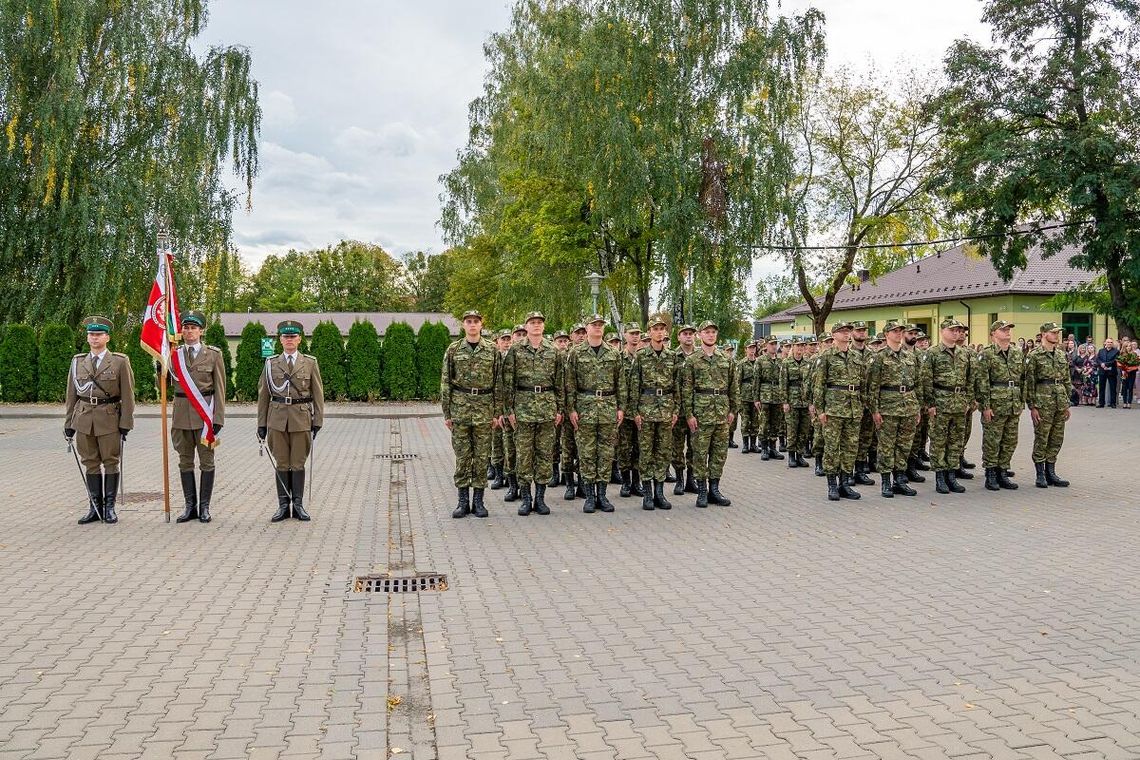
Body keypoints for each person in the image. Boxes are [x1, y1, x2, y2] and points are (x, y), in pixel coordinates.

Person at [64, 316, 136, 525]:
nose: (94, 338)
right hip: (84, 418)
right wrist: (68, 424)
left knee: (111, 461)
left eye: (98, 334)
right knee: (91, 463)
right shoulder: (78, 362)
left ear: (107, 337)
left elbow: (128, 396)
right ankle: (94, 507)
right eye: (91, 334)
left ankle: (109, 508)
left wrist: (126, 423)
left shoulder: (120, 361)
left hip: (109, 418)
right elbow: (71, 396)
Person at [257, 320, 325, 522]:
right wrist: (261, 424)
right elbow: (263, 395)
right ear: (280, 340)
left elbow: (318, 393)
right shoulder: (271, 364)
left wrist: (318, 420)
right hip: (276, 419)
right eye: (286, 337)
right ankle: (283, 506)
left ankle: (298, 504)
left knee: (297, 463)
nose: (289, 340)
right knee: (282, 463)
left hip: (301, 418)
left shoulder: (310, 363)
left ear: (299, 339)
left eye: (293, 336)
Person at [440, 310, 501, 518]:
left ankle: (479, 501)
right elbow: (446, 382)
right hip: (461, 409)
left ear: (481, 324)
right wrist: (447, 412)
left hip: (485, 409)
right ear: (463, 325)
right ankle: (463, 501)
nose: (472, 325)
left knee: (482, 456)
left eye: (476, 321)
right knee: (463, 457)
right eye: (469, 321)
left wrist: (497, 412)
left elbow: (498, 383)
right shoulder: (454, 349)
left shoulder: (492, 350)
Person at [503, 311, 563, 516]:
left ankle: (541, 498)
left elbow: (560, 383)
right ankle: (526, 498)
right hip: (523, 409)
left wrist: (559, 409)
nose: (536, 325)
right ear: (526, 326)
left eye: (539, 322)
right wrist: (508, 410)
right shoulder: (515, 350)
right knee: (524, 455)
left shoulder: (554, 351)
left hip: (547, 408)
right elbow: (507, 382)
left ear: (543, 327)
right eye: (532, 322)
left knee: (545, 455)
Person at [169, 310, 226, 523]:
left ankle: (204, 508)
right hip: (181, 416)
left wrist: (218, 418)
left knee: (207, 463)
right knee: (184, 462)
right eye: (186, 327)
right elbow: (164, 388)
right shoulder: (173, 354)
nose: (189, 331)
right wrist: (160, 370)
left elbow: (220, 388)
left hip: (205, 417)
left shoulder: (213, 354)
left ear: (201, 331)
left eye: (193, 328)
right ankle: (189, 507)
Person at [566, 315, 625, 513]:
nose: (598, 328)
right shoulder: (576, 353)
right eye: (594, 325)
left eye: (600, 325)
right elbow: (570, 384)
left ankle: (602, 495)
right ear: (587, 328)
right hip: (585, 408)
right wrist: (571, 409)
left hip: (608, 408)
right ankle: (589, 496)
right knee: (587, 454)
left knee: (606, 454)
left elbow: (621, 383)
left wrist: (621, 408)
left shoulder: (613, 353)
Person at [681, 321, 738, 508]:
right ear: (700, 335)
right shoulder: (692, 360)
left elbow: (733, 387)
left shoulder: (726, 359)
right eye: (707, 332)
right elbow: (687, 390)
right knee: (699, 453)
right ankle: (702, 490)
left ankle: (715, 488)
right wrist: (689, 414)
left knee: (719, 453)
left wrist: (733, 410)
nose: (710, 335)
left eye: (713, 332)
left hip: (721, 412)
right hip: (701, 413)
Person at [865, 320, 921, 497]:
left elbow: (916, 383)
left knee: (904, 446)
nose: (898, 333)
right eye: (894, 331)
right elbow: (872, 386)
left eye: (900, 331)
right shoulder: (878, 356)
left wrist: (918, 407)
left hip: (909, 406)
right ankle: (886, 482)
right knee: (887, 446)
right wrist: (874, 410)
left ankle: (900, 480)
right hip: (888, 407)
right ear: (887, 334)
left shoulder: (909, 356)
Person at [630, 313, 679, 510]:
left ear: (665, 332)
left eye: (662, 329)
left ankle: (660, 493)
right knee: (646, 452)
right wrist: (634, 411)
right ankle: (648, 493)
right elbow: (634, 385)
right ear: (649, 333)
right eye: (655, 329)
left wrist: (676, 409)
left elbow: (677, 385)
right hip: (646, 408)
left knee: (663, 451)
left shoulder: (672, 357)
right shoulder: (641, 356)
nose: (659, 332)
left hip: (666, 409)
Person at [813, 321, 865, 501]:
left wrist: (862, 405)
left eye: (848, 331)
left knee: (850, 448)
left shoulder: (856, 357)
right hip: (833, 410)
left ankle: (845, 483)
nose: (846, 334)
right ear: (834, 335)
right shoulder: (826, 356)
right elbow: (818, 385)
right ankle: (832, 485)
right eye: (842, 331)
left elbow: (862, 385)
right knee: (832, 448)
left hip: (853, 409)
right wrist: (820, 410)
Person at [922, 318, 973, 495]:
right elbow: (926, 380)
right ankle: (940, 477)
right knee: (939, 441)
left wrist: (968, 400)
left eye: (958, 330)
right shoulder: (932, 353)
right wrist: (930, 404)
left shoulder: (963, 353)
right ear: (942, 331)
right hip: (940, 402)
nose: (956, 333)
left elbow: (970, 379)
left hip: (959, 403)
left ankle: (952, 475)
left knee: (956, 441)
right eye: (952, 330)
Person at [978, 320, 1024, 491]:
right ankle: (991, 474)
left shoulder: (1017, 353)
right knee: (992, 440)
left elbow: (1023, 379)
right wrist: (985, 406)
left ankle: (1003, 471)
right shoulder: (986, 354)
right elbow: (982, 382)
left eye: (1008, 329)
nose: (1007, 332)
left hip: (1013, 402)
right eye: (1002, 329)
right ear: (993, 334)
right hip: (995, 404)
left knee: (1010, 440)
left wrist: (1021, 402)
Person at [1026, 322, 1071, 488]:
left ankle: (1051, 472)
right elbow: (1029, 382)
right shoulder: (1034, 355)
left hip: (1059, 401)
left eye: (1058, 332)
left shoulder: (1060, 355)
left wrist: (1067, 403)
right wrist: (1032, 406)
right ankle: (1040, 474)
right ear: (1044, 334)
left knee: (1057, 438)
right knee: (1042, 438)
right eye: (1053, 332)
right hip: (1043, 402)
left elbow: (1066, 379)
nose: (1057, 335)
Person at [616, 324, 644, 497]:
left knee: (640, 448)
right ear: (625, 335)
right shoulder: (619, 358)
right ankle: (626, 482)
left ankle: (637, 482)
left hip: (642, 410)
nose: (635, 337)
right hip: (625, 412)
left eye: (637, 334)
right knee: (624, 448)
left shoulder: (643, 358)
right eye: (632, 334)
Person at [560, 324, 587, 499]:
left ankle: (583, 484)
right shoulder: (563, 356)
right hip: (568, 409)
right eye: (578, 333)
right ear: (571, 336)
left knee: (584, 449)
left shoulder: (587, 354)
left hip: (586, 409)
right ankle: (569, 484)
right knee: (568, 448)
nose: (581, 336)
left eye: (584, 333)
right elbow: (561, 384)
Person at [671, 324, 698, 495]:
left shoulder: (700, 356)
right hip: (679, 410)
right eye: (685, 334)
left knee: (695, 446)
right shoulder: (673, 357)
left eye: (691, 334)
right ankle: (679, 479)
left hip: (698, 408)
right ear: (679, 337)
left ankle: (691, 479)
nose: (688, 336)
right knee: (677, 447)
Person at [779, 338, 812, 468]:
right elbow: (783, 383)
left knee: (804, 430)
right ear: (793, 347)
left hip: (805, 401)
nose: (800, 348)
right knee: (792, 430)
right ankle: (791, 456)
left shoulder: (808, 363)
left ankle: (800, 455)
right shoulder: (786, 363)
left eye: (802, 346)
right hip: (792, 401)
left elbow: (811, 383)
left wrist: (811, 402)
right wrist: (785, 401)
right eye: (798, 346)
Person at [488, 330, 513, 490]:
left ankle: (510, 478)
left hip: (510, 408)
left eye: (508, 339)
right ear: (497, 342)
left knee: (510, 447)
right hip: (496, 408)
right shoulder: (494, 359)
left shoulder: (514, 358)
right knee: (496, 444)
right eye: (503, 340)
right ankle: (498, 475)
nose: (507, 342)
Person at [752, 337, 784, 461]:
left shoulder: (781, 361)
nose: (774, 346)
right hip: (764, 395)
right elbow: (756, 380)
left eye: (775, 344)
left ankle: (773, 447)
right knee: (764, 423)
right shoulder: (760, 361)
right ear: (766, 345)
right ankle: (764, 448)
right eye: (771, 344)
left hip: (777, 396)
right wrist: (756, 398)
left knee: (776, 423)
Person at [737, 341, 760, 453]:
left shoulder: (758, 362)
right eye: (750, 348)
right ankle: (745, 444)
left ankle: (753, 444)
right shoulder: (742, 364)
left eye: (753, 348)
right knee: (745, 421)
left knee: (755, 421)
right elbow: (737, 381)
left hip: (756, 397)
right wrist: (738, 397)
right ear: (746, 349)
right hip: (744, 397)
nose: (752, 350)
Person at [1096, 338, 1120, 408]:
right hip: (1102, 371)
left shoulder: (1116, 351)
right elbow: (1098, 359)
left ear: (1112, 344)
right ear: (1105, 343)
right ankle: (1101, 403)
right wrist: (1101, 364)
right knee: (1101, 388)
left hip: (1111, 372)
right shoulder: (1101, 351)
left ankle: (1113, 403)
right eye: (1108, 342)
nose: (1109, 343)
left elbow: (1115, 360)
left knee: (1113, 388)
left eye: (1111, 342)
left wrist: (1105, 364)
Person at [1117, 338, 1138, 409]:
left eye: (1129, 346)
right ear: (1124, 347)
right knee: (1124, 387)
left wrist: (1130, 368)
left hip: (1132, 373)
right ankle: (1125, 402)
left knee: (1130, 387)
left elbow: (1136, 364)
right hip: (1124, 373)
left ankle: (1129, 402)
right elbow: (1119, 363)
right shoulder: (1122, 354)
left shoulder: (1134, 354)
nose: (1128, 347)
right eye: (1127, 346)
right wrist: (1123, 369)